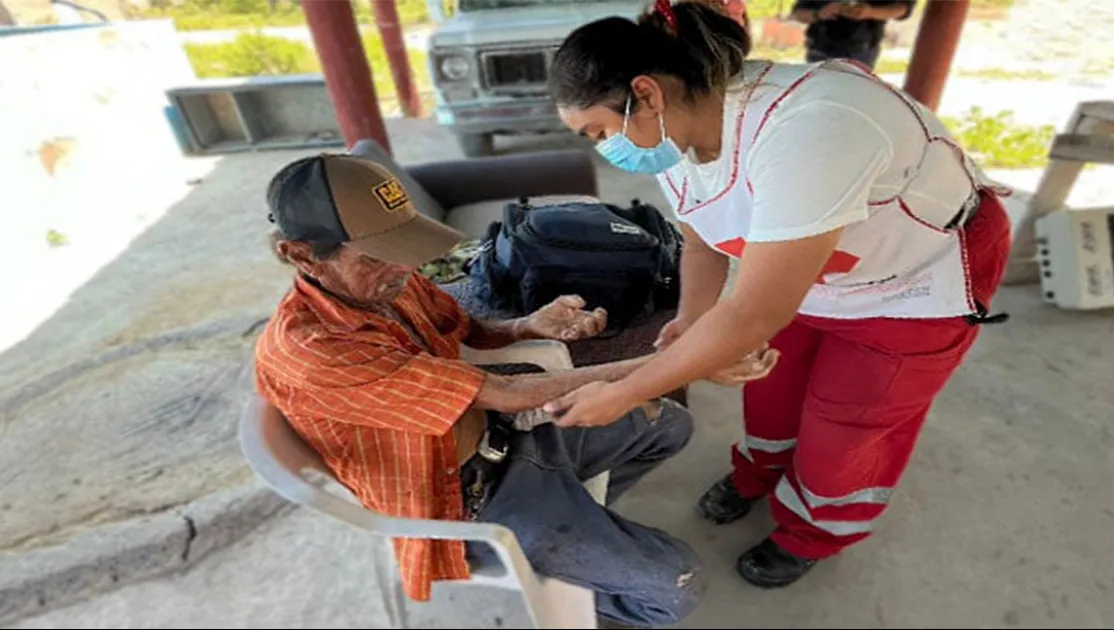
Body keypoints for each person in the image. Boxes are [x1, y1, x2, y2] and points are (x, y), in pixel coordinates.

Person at [543, 0, 1012, 590]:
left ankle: (812, 531)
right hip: (813, 272)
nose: (605, 148)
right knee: (769, 385)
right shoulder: (673, 133)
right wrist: (691, 321)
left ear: (647, 92)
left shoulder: (814, 128)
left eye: (600, 132)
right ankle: (759, 473)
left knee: (849, 421)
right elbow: (703, 241)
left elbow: (753, 313)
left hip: (911, 278)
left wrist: (626, 391)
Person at [253, 153, 780, 627]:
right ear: (300, 254)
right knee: (677, 589)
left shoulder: (390, 286)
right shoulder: (314, 350)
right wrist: (682, 362)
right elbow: (504, 392)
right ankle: (575, 562)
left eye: (401, 248)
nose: (401, 269)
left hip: (508, 438)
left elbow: (468, 330)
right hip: (471, 500)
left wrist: (528, 325)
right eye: (374, 257)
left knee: (668, 426)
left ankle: (580, 524)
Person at [790, 0, 917, 69]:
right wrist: (819, 14)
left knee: (851, 97)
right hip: (819, 48)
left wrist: (869, 12)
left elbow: (902, 8)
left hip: (860, 51)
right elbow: (797, 13)